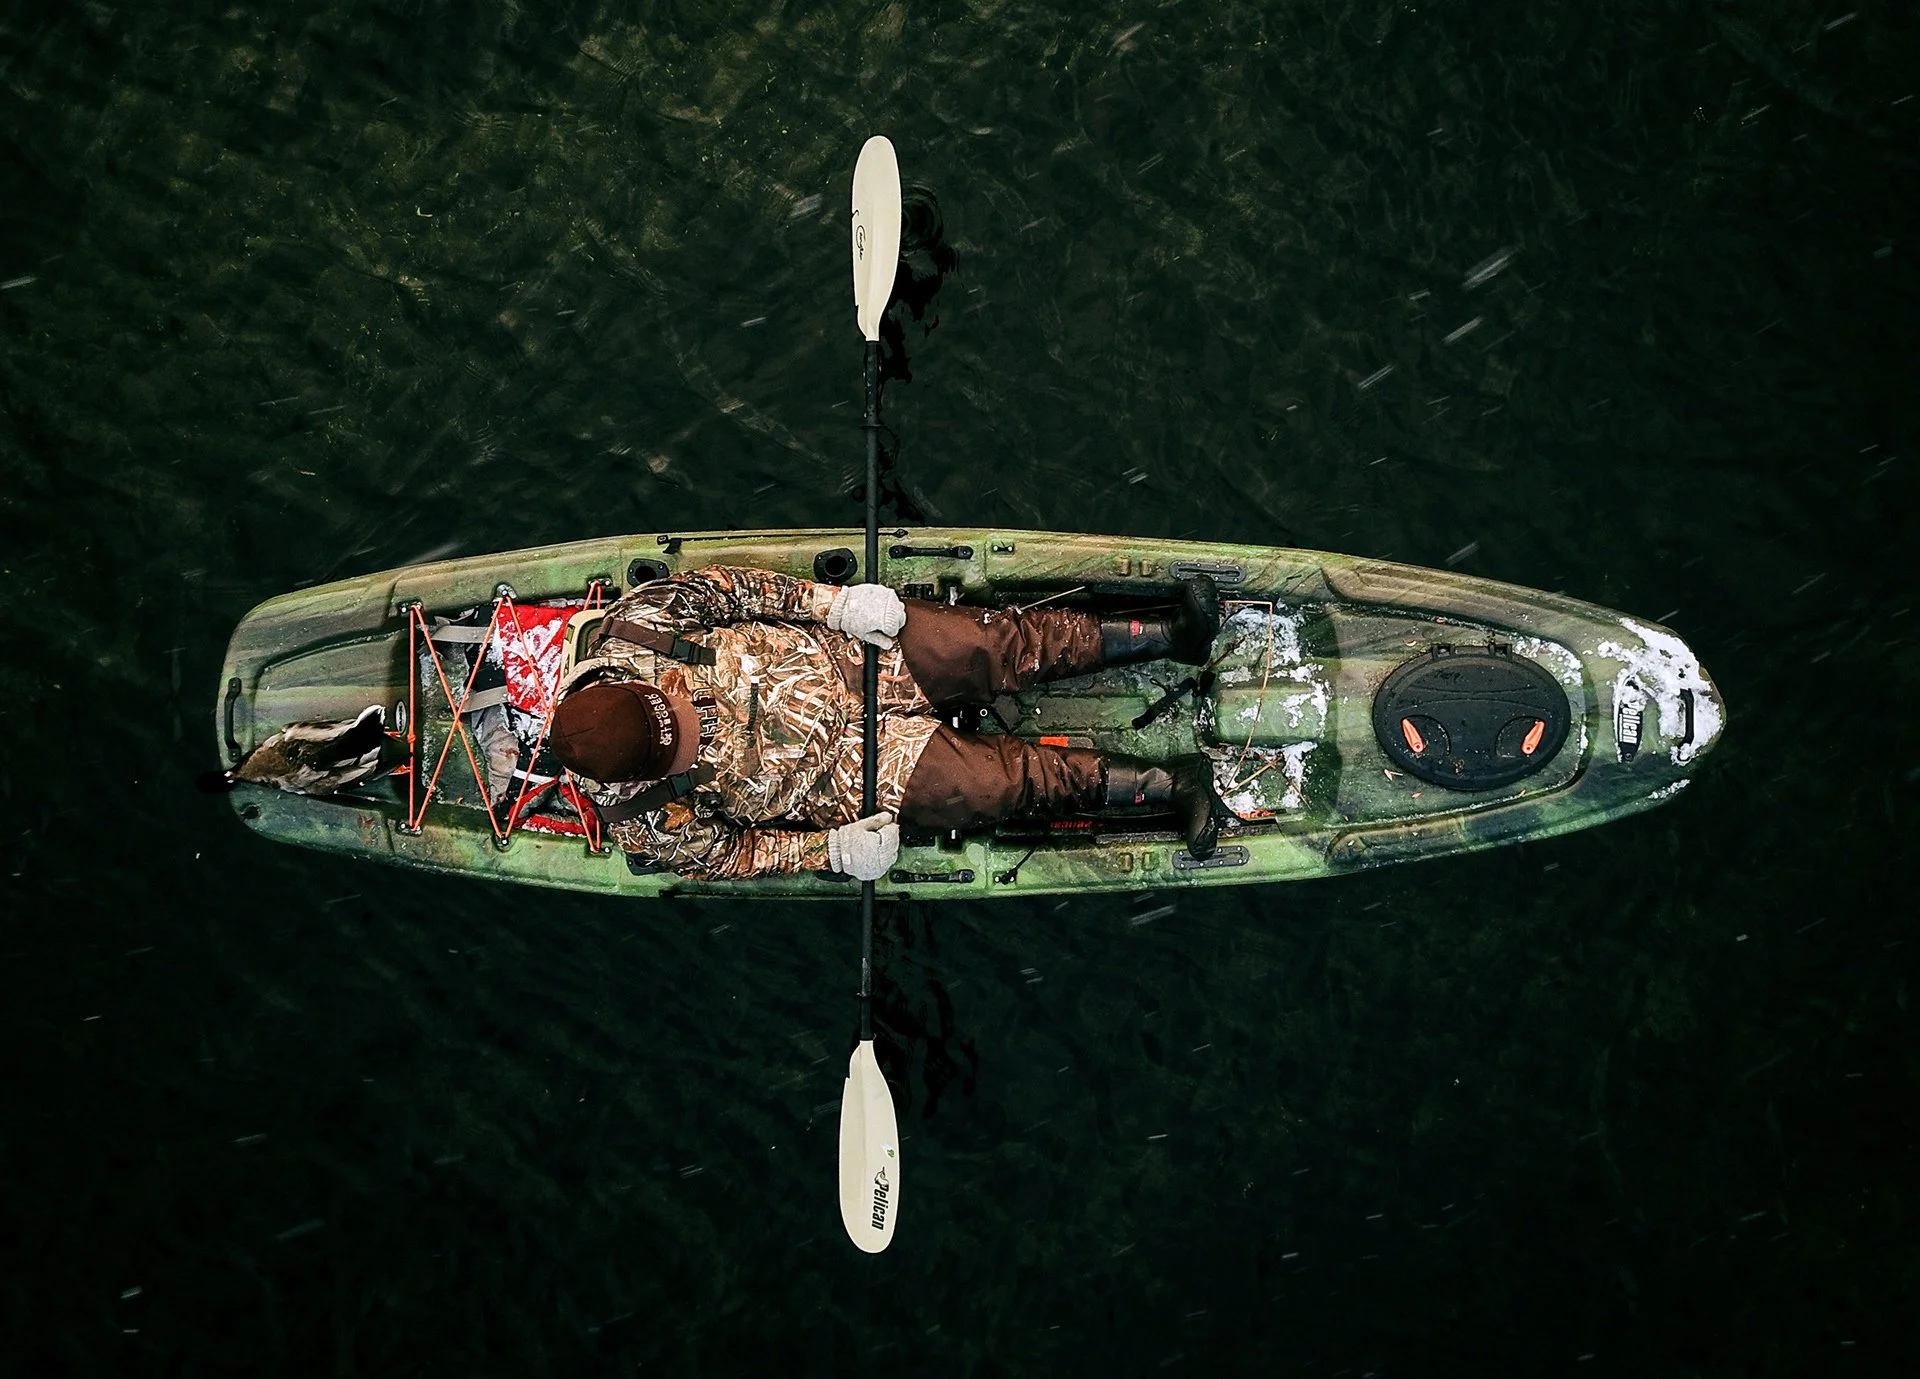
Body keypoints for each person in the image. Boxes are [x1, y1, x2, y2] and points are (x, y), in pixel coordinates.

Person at [547, 565, 1228, 882]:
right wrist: (830, 852)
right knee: (1000, 785)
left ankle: (1171, 634)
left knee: (994, 645)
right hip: (851, 778)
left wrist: (835, 603)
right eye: (682, 747)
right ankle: (1171, 785)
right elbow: (736, 853)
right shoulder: (640, 817)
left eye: (676, 712)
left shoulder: (639, 626)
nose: (692, 725)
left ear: (632, 683)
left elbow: (738, 591)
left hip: (855, 657)